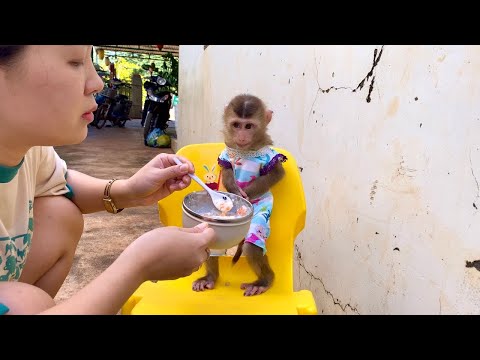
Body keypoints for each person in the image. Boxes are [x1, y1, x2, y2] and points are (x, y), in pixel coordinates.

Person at [0, 45, 215, 315]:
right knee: (27, 303)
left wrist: (130, 191)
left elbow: (60, 181)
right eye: (75, 62)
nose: (97, 82)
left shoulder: (29, 150)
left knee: (60, 213)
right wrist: (138, 265)